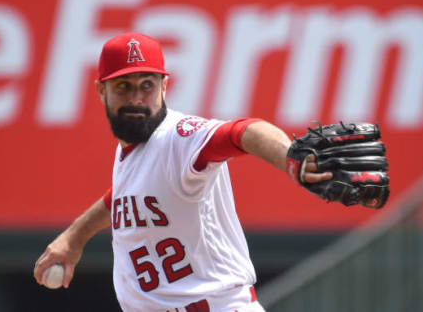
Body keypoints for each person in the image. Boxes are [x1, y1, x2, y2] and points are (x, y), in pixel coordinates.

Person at [33, 32, 332, 312]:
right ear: (102, 91)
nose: (136, 98)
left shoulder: (177, 137)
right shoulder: (134, 149)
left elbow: (243, 133)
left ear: (164, 86)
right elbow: (123, 196)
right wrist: (74, 237)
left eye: (147, 85)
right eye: (123, 86)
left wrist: (289, 156)